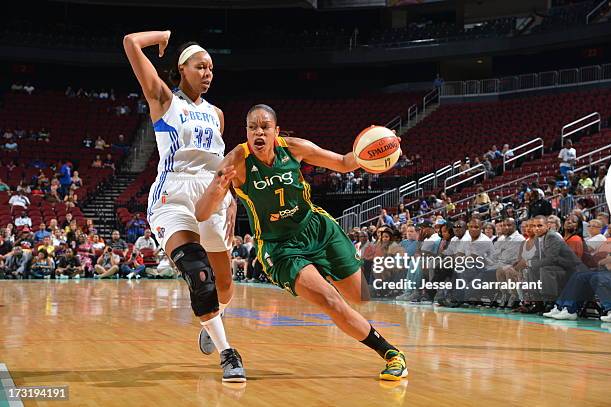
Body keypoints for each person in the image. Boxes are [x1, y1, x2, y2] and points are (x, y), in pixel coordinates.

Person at [195, 104, 407, 381]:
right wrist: (217, 189)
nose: (258, 132)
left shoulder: (295, 148)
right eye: (252, 127)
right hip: (279, 247)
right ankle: (391, 353)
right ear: (246, 132)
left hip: (317, 229)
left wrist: (382, 145)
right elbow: (201, 213)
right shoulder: (236, 161)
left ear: (276, 131)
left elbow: (344, 163)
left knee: (359, 297)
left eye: (265, 127)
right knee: (330, 300)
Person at [123, 29, 244, 381]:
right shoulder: (164, 99)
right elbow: (130, 43)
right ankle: (228, 353)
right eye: (200, 67)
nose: (207, 73)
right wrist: (161, 36)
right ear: (182, 69)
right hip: (172, 195)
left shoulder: (217, 114)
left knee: (224, 285)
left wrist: (231, 196)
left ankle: (212, 321)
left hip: (212, 196)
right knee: (199, 275)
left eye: (211, 69)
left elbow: (219, 162)